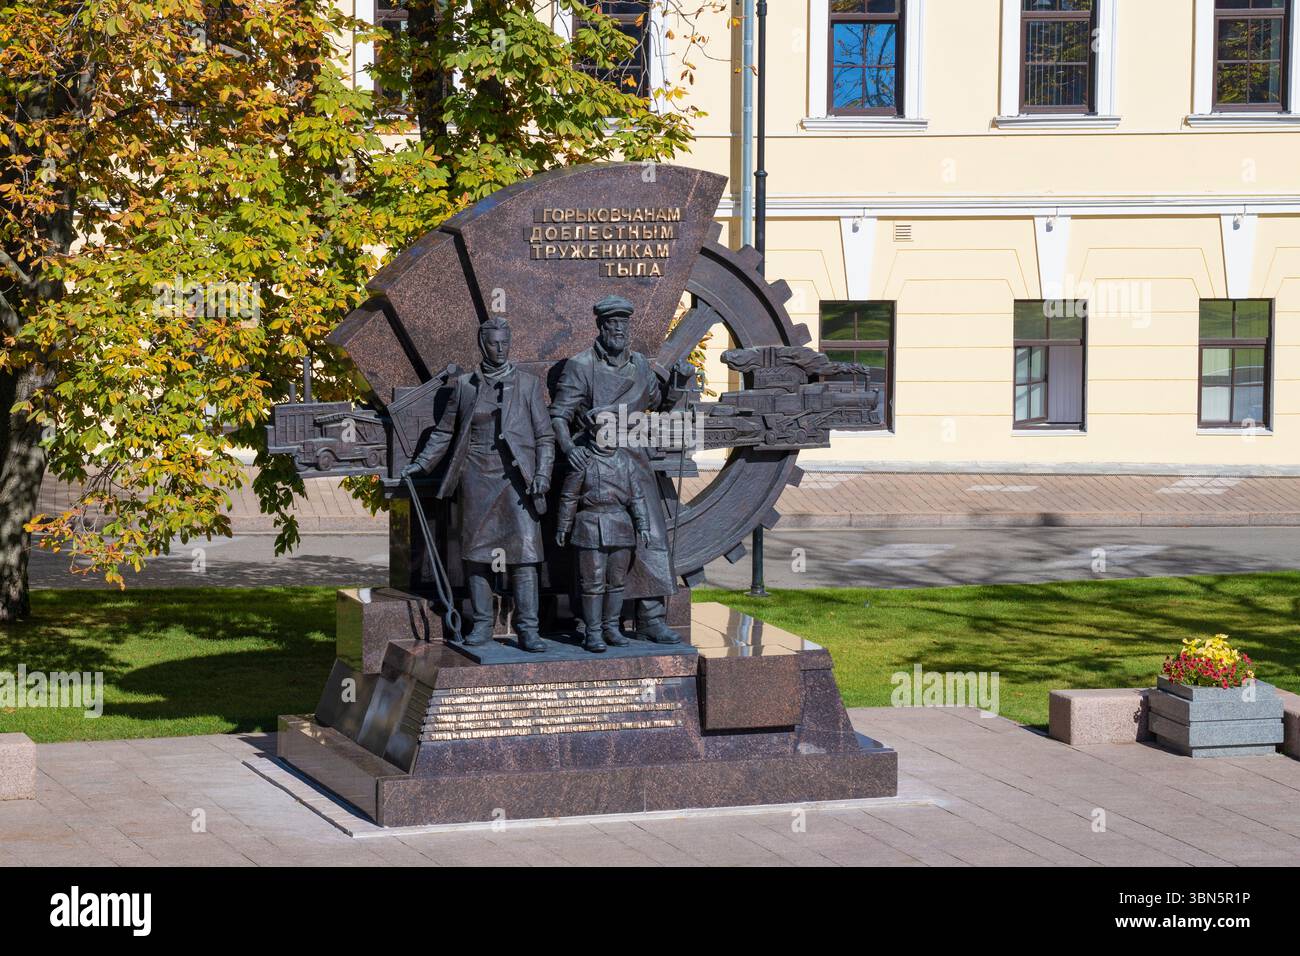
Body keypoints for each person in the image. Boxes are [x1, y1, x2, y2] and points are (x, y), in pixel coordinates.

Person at [400, 317, 554, 652]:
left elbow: (544, 436)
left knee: (525, 556)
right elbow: (444, 433)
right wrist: (421, 464)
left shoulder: (528, 384)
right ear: (482, 344)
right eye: (494, 343)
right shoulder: (464, 385)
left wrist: (542, 474)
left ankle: (528, 628)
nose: (501, 349)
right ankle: (482, 623)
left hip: (518, 483)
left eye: (505, 342)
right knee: (477, 555)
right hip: (476, 478)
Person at [549, 294, 695, 644]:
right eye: (612, 325)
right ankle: (592, 624)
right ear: (600, 327)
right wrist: (569, 449)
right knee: (594, 550)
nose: (619, 331)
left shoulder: (641, 365)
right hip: (597, 460)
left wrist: (677, 383)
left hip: (635, 461)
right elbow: (558, 415)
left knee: (651, 538)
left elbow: (657, 403)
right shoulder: (581, 366)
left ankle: (650, 617)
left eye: (623, 325)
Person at [556, 432, 651, 653]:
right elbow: (569, 496)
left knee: (616, 582)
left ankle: (611, 628)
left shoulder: (625, 461)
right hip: (590, 526)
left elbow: (637, 496)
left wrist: (643, 525)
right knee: (592, 584)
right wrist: (563, 526)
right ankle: (593, 633)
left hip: (620, 526)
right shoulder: (584, 460)